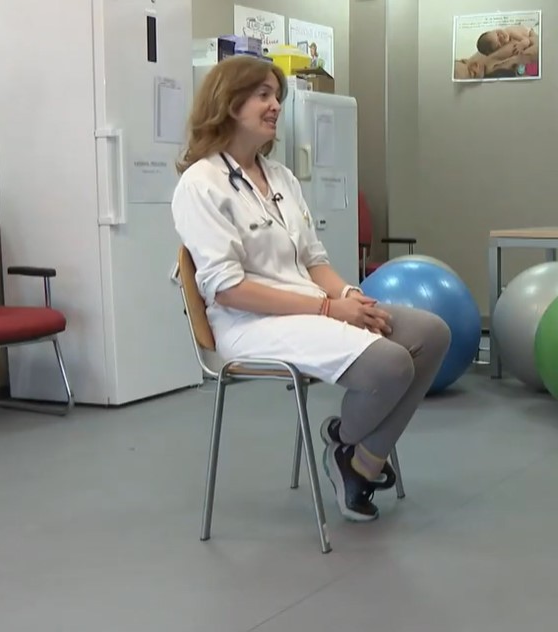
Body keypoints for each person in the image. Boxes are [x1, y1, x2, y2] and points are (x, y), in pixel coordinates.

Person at [171, 56, 451, 523]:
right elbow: (228, 290)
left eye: (277, 96)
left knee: (431, 333)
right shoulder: (200, 184)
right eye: (263, 95)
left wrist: (347, 296)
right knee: (389, 364)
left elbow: (314, 260)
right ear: (228, 103)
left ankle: (358, 460)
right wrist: (328, 310)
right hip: (248, 323)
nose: (275, 105)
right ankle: (346, 443)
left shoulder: (280, 177)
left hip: (310, 308)